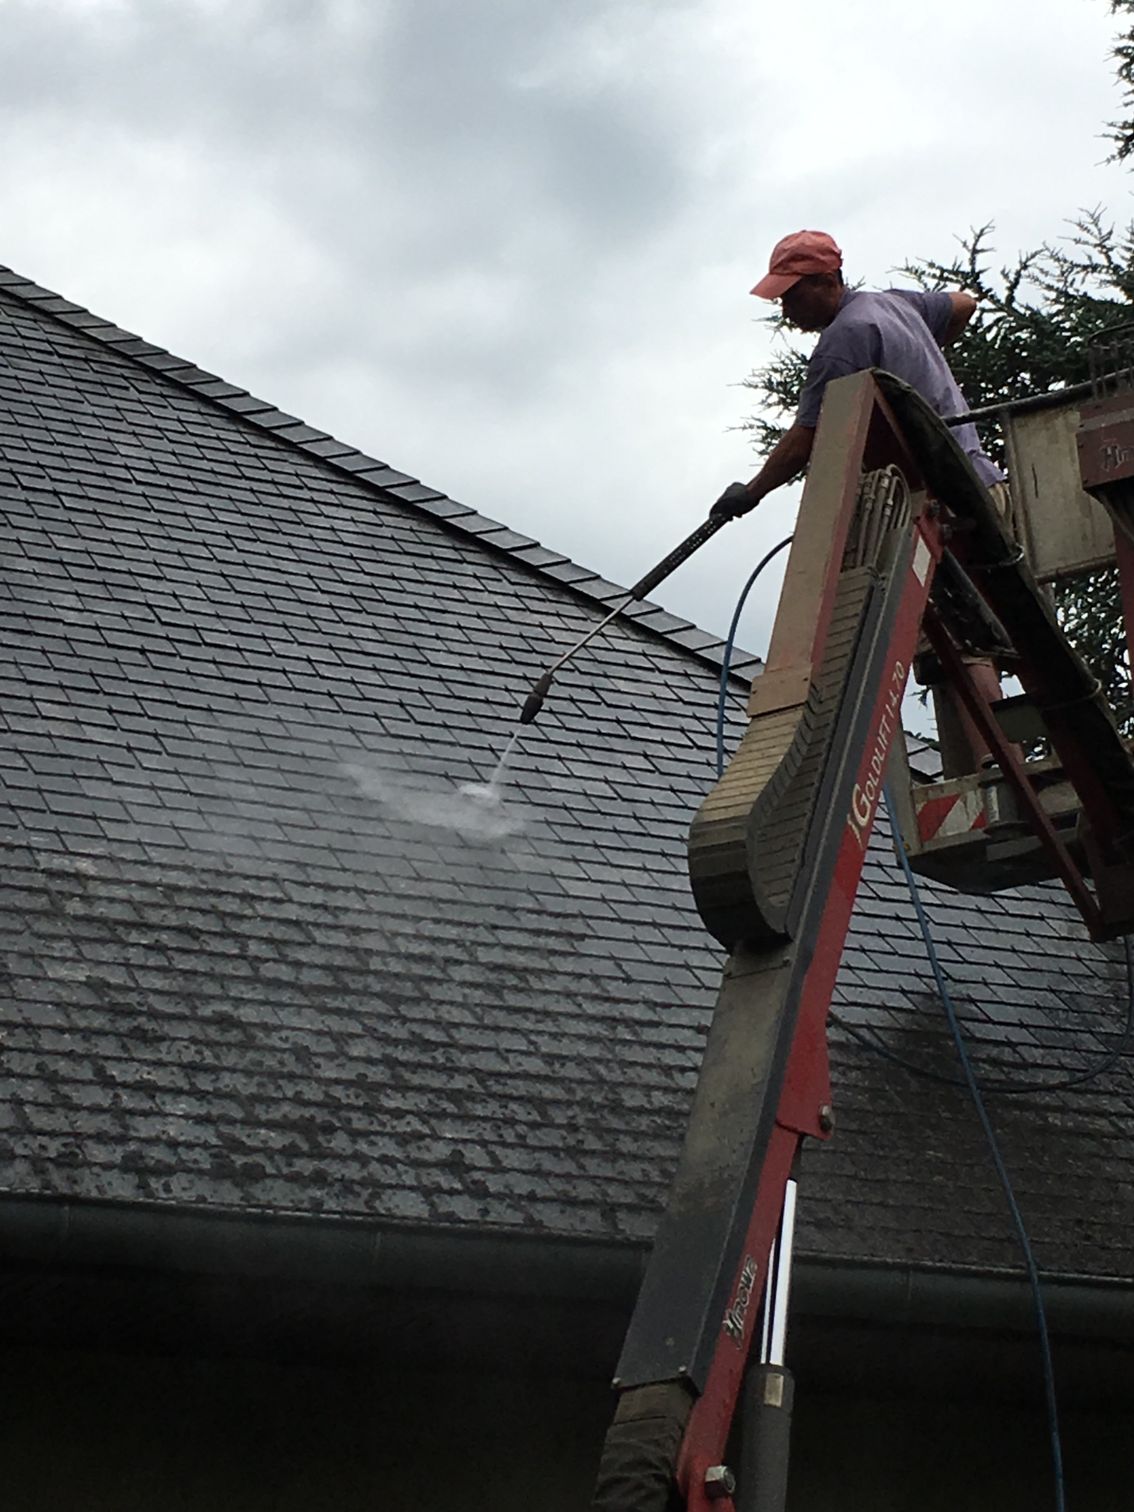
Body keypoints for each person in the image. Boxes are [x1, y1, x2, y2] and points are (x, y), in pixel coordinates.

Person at [712, 229, 1004, 520]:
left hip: (949, 508)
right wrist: (920, 355)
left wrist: (751, 493)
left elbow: (804, 439)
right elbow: (964, 304)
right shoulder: (894, 304)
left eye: (793, 297)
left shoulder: (844, 337)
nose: (787, 312)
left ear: (827, 281)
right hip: (986, 487)